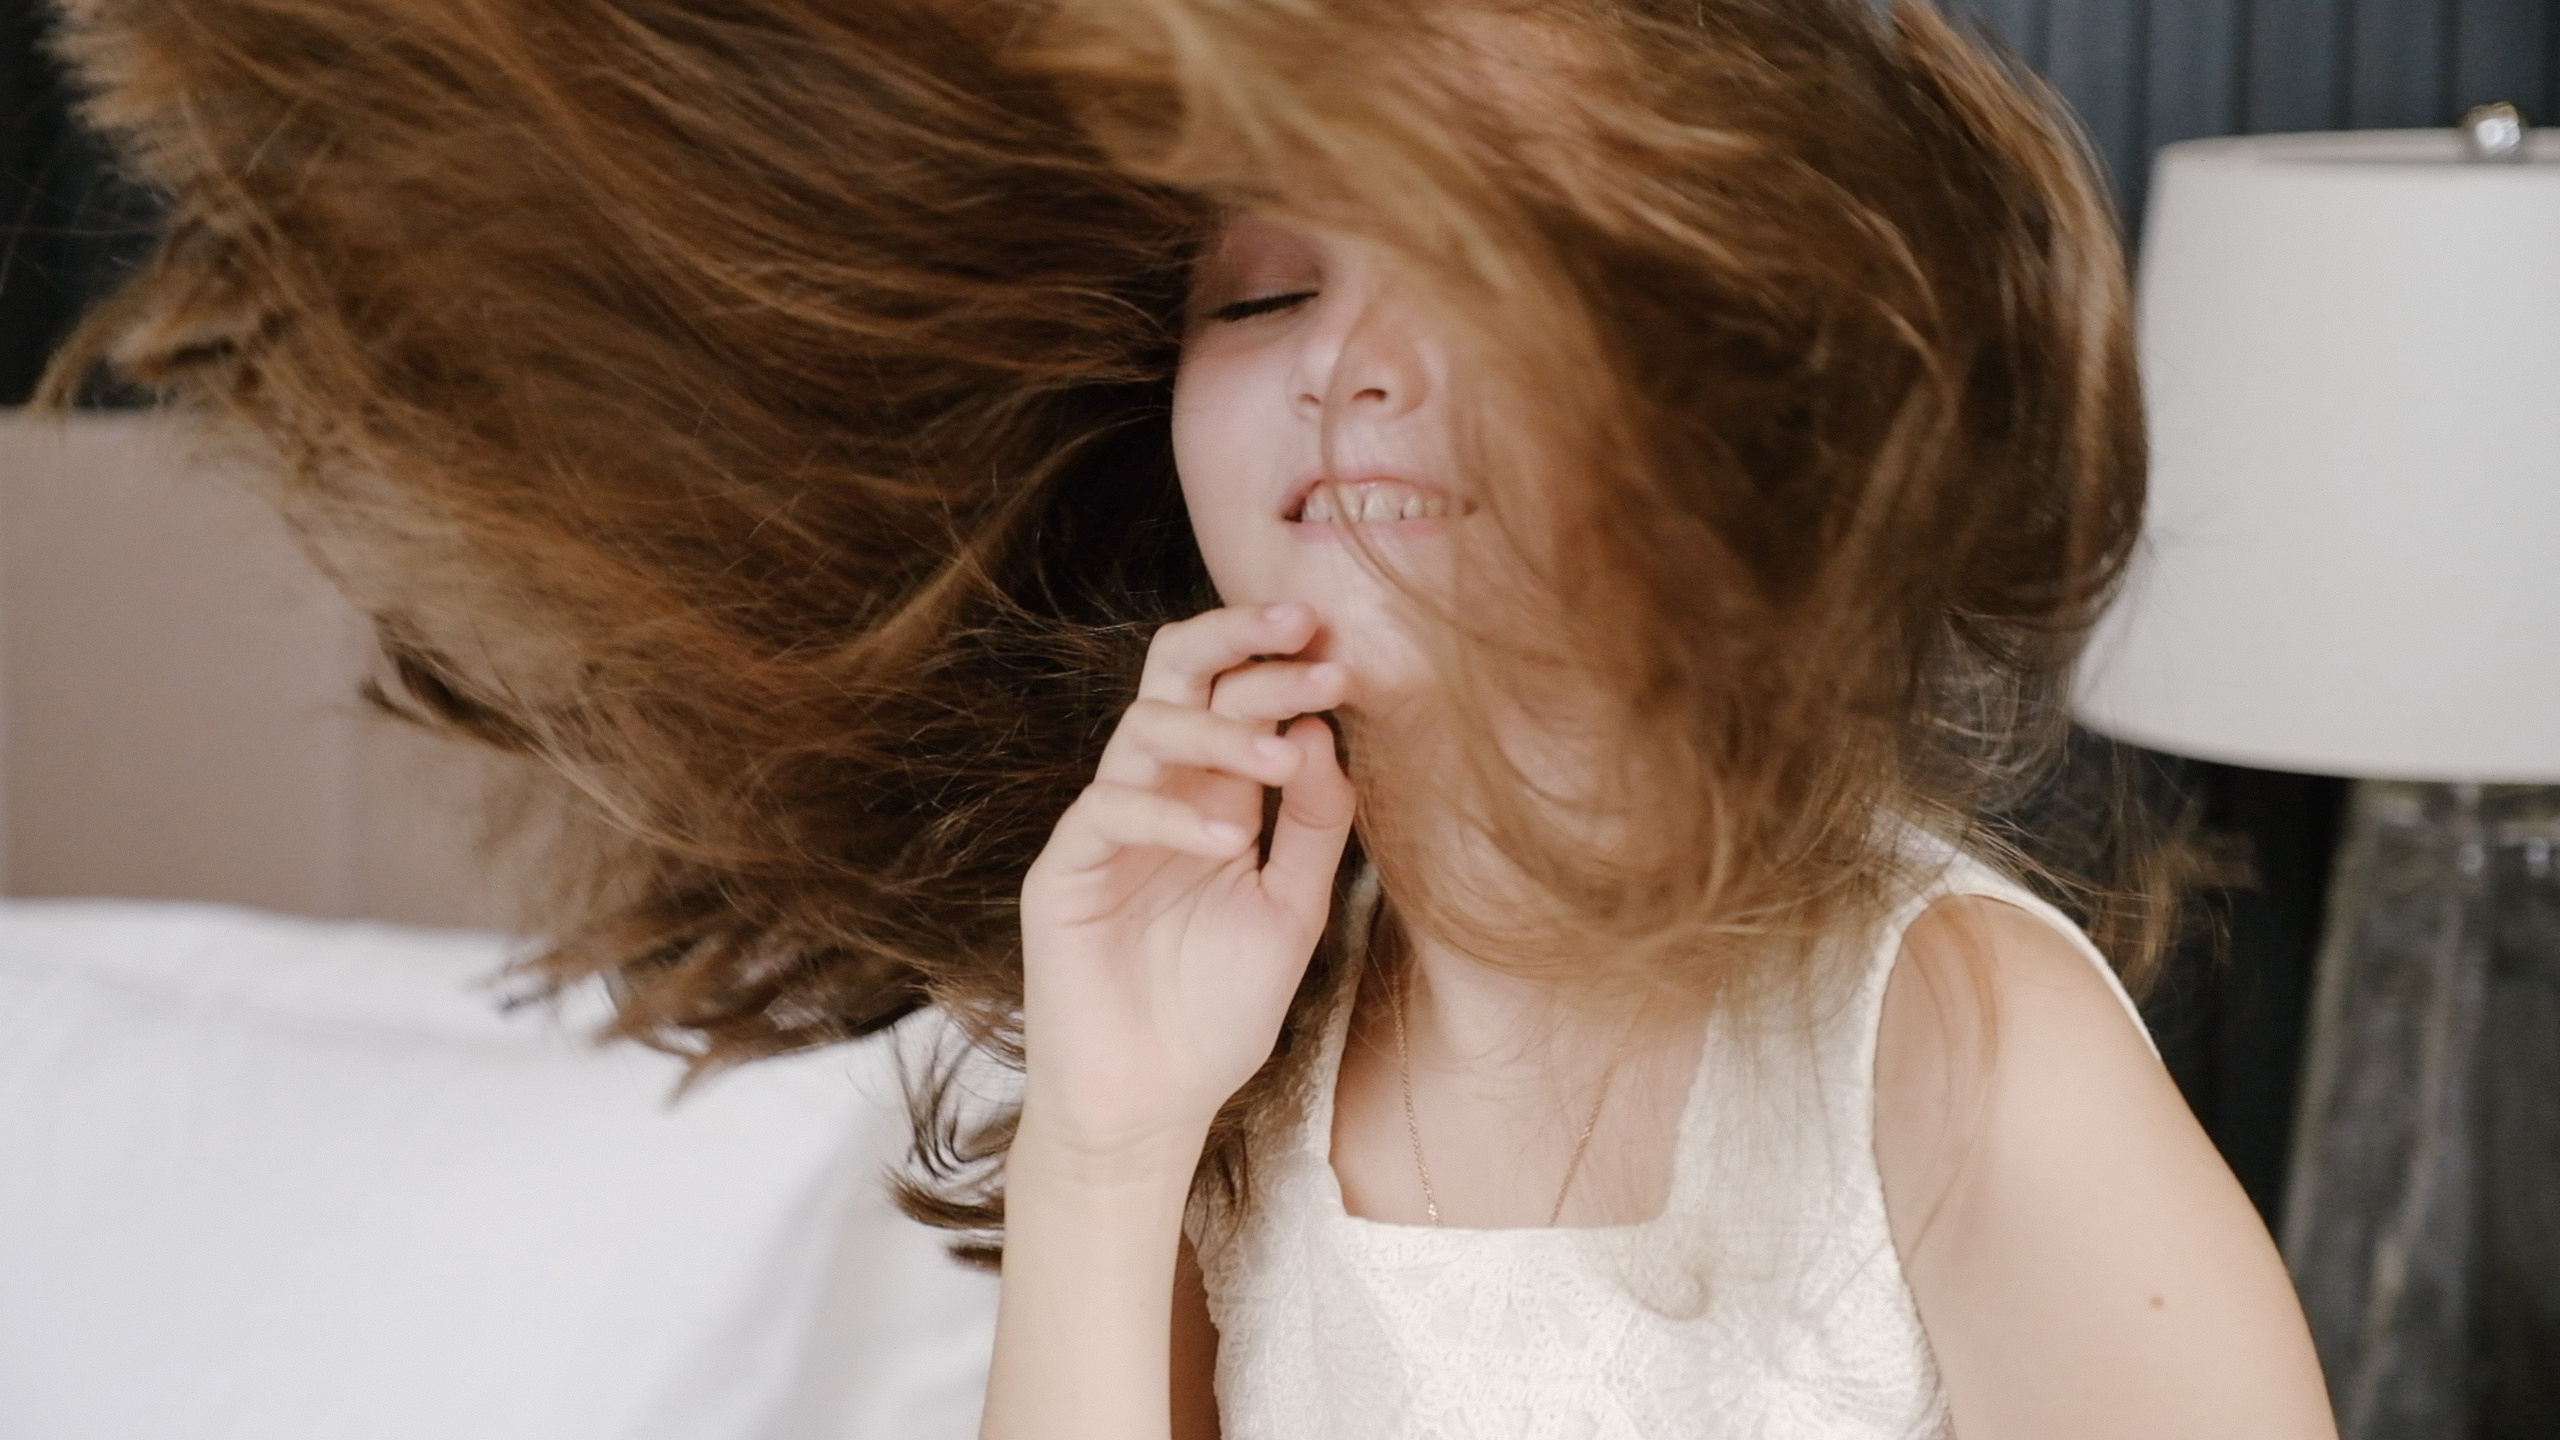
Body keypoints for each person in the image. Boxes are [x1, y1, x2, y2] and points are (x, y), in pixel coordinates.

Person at [43, 0, 2336, 1433]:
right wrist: (1115, 1125)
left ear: (1723, 361)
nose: (1344, 354)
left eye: (1478, 257)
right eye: (1261, 285)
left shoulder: (1943, 1049)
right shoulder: (1245, 1051)